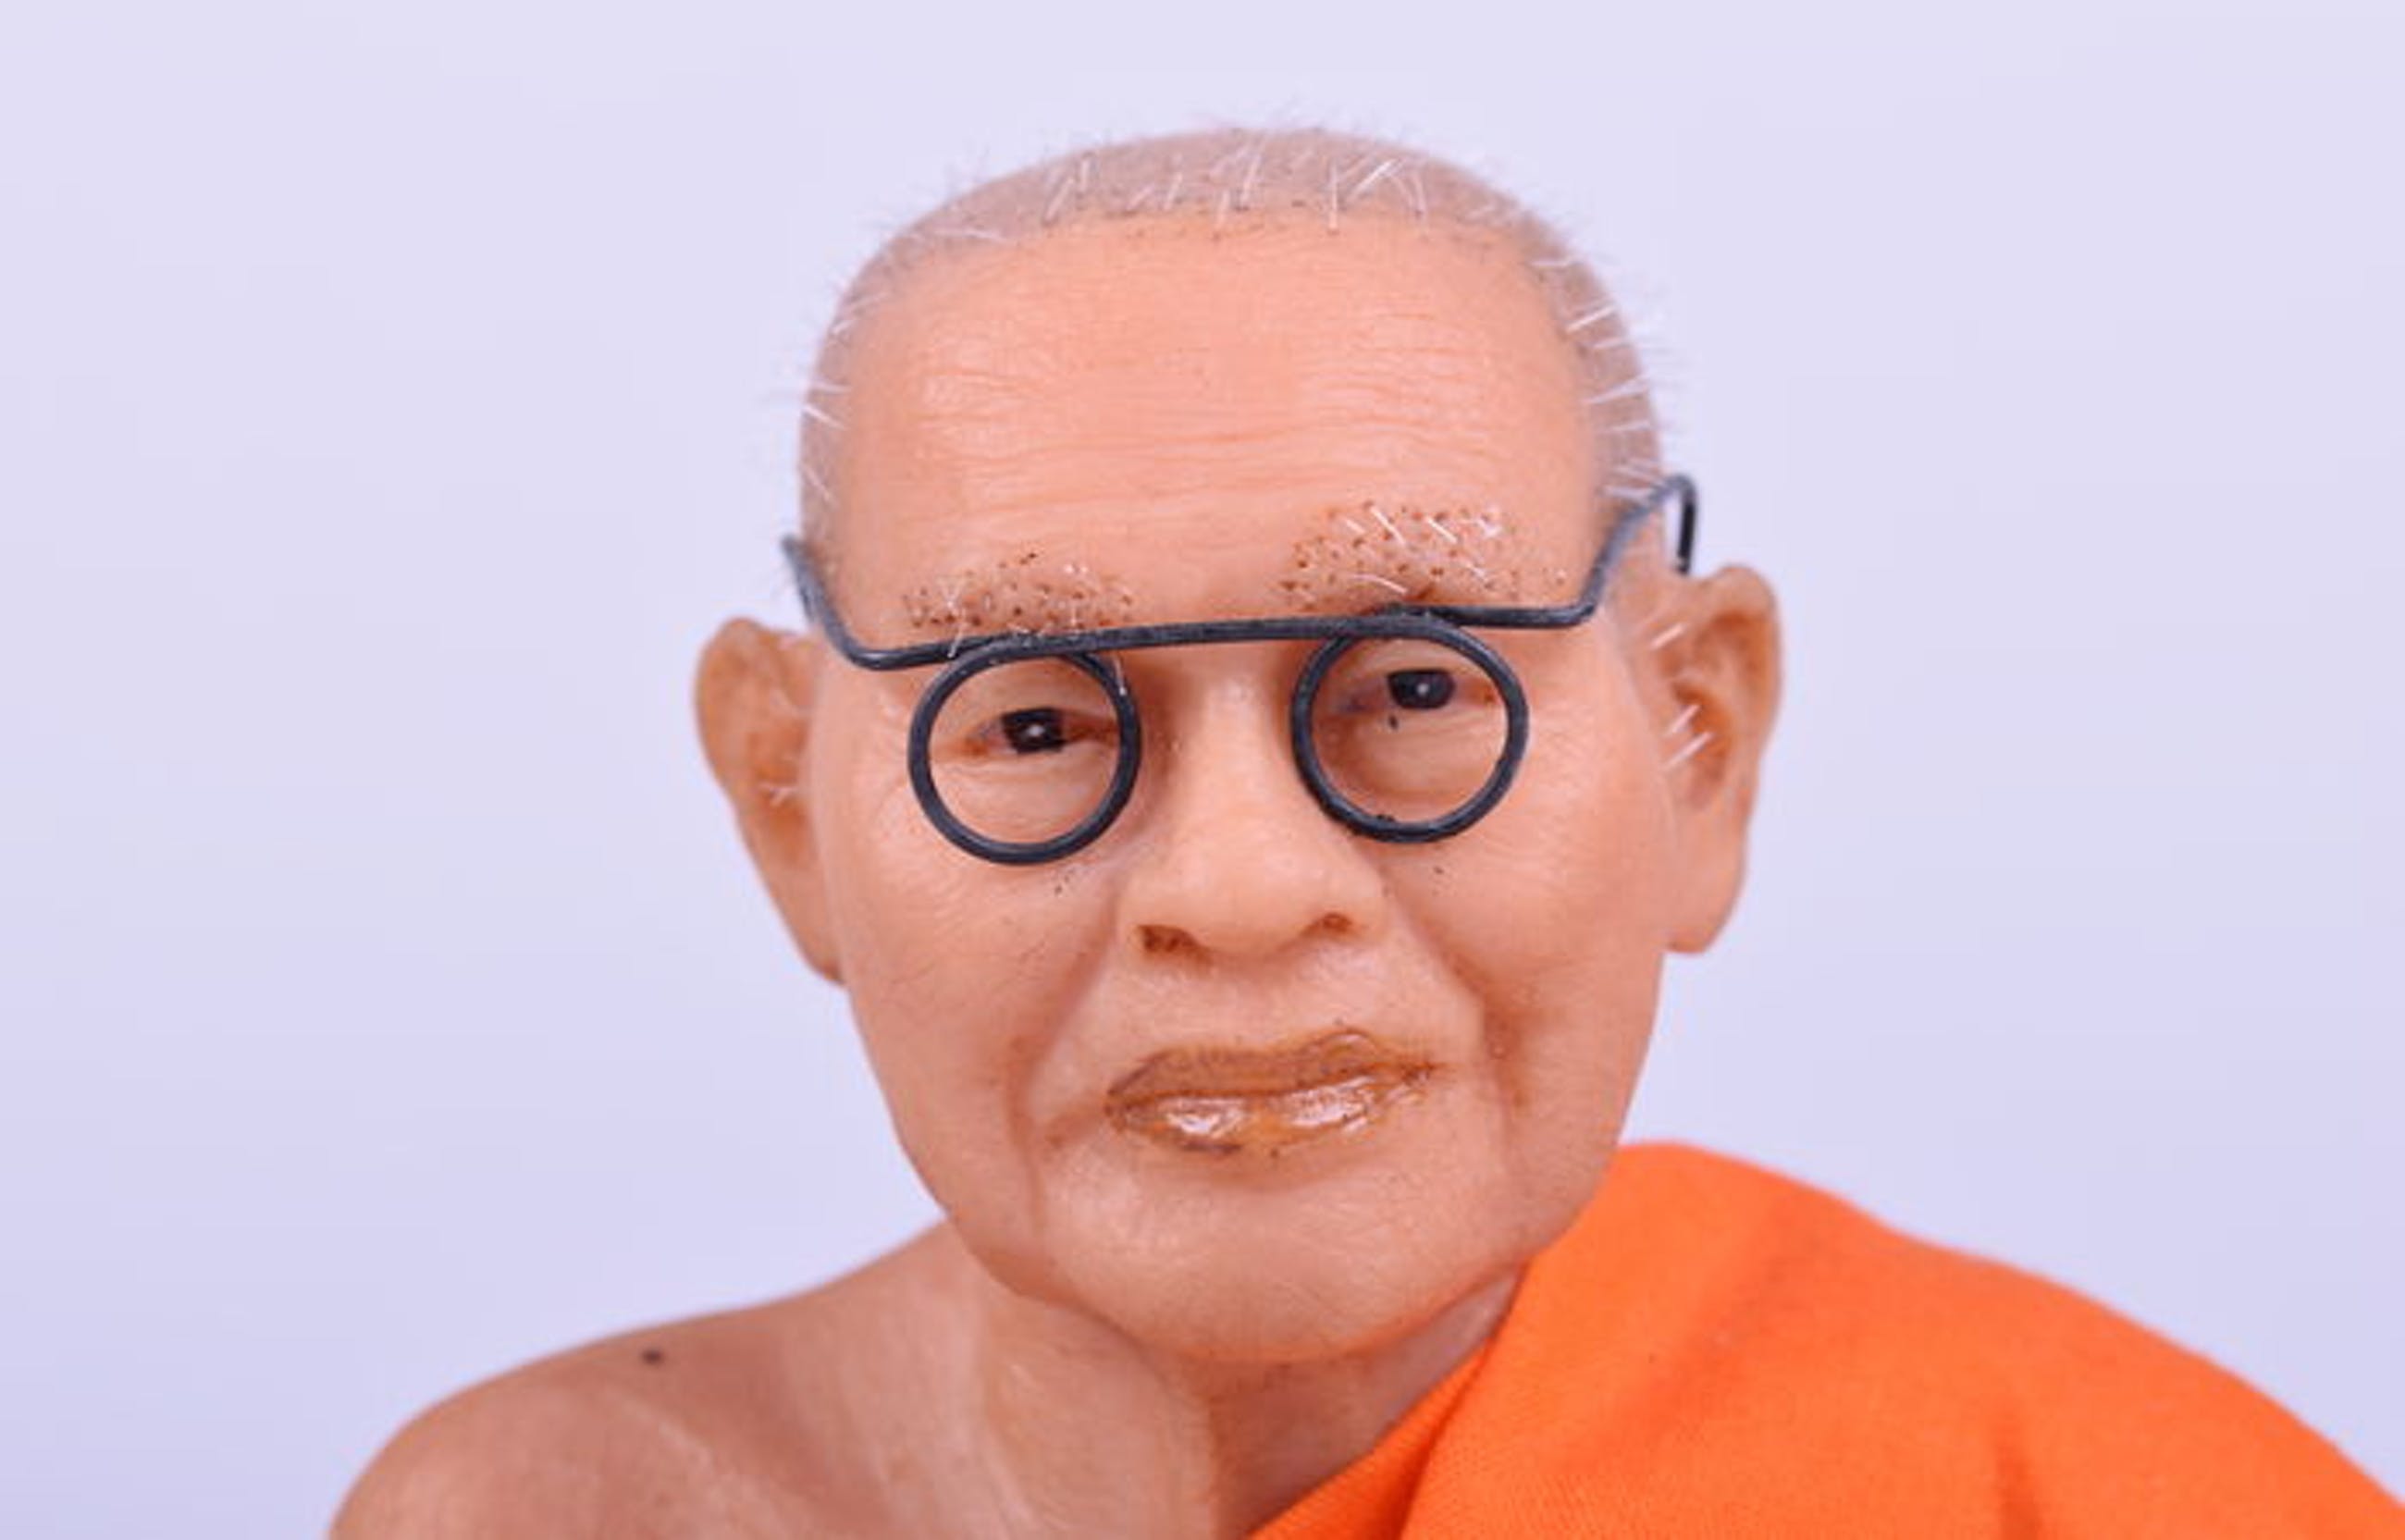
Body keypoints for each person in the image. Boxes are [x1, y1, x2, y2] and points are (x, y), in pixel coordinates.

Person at [334, 128, 2397, 1537]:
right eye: (1033, 722)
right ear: (790, 806)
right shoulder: (549, 1513)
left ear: (1696, 742)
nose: (1239, 888)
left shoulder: (2076, 1494)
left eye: (1416, 691)